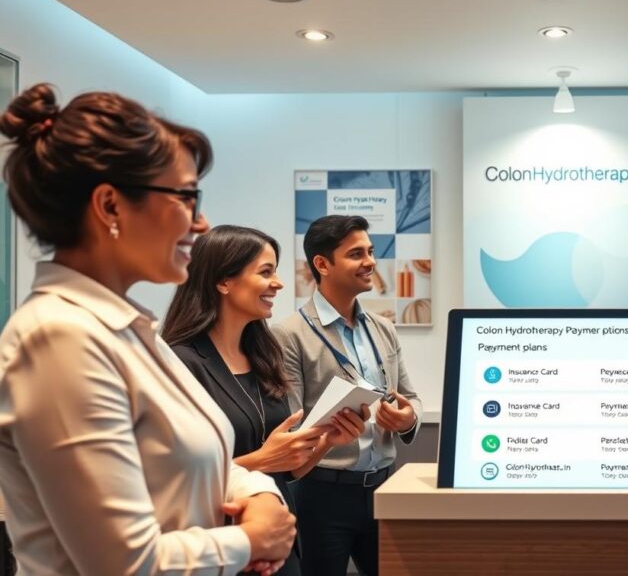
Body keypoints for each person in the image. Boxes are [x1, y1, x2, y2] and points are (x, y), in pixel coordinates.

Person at [0, 84, 294, 575]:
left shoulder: (133, 330)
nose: (201, 224)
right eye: (185, 197)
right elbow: (123, 563)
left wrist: (261, 497)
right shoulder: (59, 339)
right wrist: (247, 541)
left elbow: (211, 466)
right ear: (111, 206)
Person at [162, 225, 370, 575]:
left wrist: (326, 441)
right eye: (266, 272)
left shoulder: (262, 354)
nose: (279, 283)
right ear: (223, 281)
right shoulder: (180, 363)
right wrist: (261, 459)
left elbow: (288, 469)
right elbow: (177, 483)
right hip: (223, 546)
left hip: (280, 539)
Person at [274, 215, 422, 576]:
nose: (370, 261)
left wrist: (409, 418)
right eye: (357, 254)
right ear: (322, 264)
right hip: (321, 496)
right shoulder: (288, 334)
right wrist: (328, 432)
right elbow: (292, 426)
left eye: (370, 251)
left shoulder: (383, 328)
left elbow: (411, 397)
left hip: (385, 489)